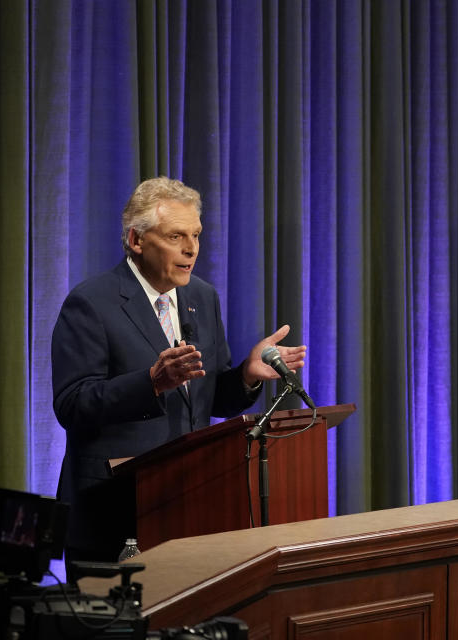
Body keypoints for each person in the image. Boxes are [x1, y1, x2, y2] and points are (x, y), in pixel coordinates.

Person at [52, 176, 306, 567]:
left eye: (196, 235)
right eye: (175, 237)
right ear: (137, 241)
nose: (191, 250)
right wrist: (150, 384)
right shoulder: (91, 303)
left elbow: (210, 398)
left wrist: (246, 375)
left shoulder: (201, 297)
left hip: (187, 507)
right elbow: (72, 405)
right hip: (112, 515)